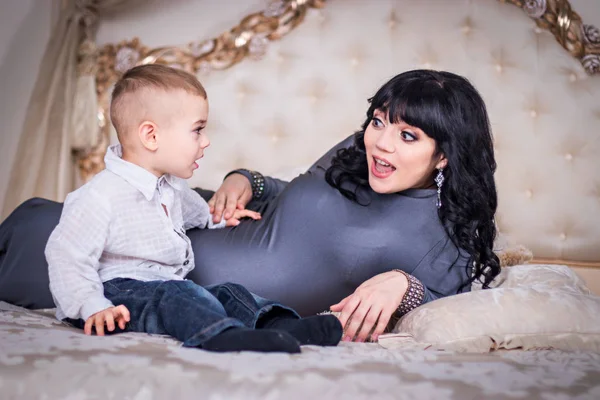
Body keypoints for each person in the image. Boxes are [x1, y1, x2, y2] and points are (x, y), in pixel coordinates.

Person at [0, 69, 500, 343]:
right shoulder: (358, 151)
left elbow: (460, 304)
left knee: (26, 255)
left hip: (157, 287)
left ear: (445, 154)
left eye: (407, 134)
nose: (381, 143)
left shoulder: (444, 233)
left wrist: (404, 287)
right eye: (378, 121)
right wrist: (248, 181)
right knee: (39, 223)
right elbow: (299, 196)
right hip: (160, 232)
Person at [43, 64, 342, 353]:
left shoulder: (172, 187)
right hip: (115, 296)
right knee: (178, 294)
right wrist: (92, 306)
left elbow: (200, 214)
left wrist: (223, 218)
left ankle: (280, 323)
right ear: (151, 136)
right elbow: (66, 257)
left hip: (165, 286)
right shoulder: (100, 195)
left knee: (225, 291)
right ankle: (223, 337)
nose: (206, 141)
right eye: (197, 130)